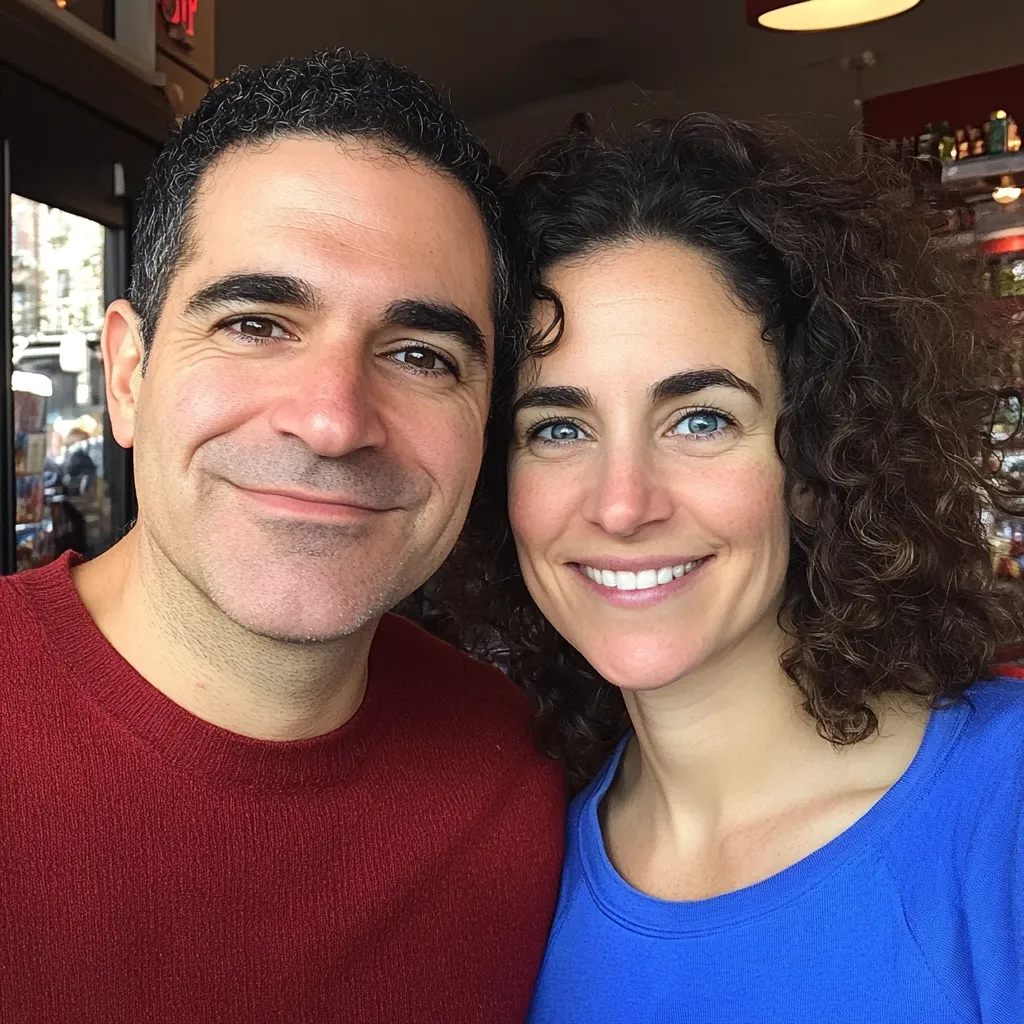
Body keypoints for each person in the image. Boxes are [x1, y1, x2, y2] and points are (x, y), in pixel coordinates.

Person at [0, 50, 565, 1023]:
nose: (334, 420)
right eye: (257, 323)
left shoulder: (521, 772)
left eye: (421, 354)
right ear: (127, 374)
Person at [428, 116, 1024, 1022]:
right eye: (558, 427)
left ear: (823, 457)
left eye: (699, 419)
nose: (622, 504)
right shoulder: (516, 860)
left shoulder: (1004, 807)